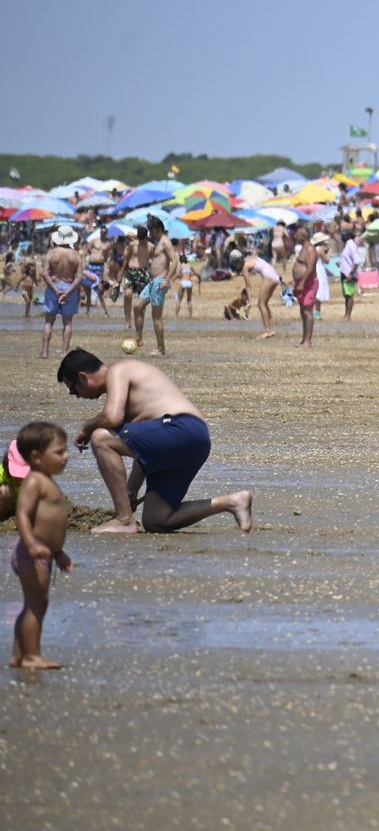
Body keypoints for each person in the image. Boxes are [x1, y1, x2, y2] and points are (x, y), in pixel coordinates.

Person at [56, 348, 254, 534]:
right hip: (192, 441)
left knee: (100, 437)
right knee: (156, 520)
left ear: (83, 377)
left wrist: (86, 428)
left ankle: (124, 519)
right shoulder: (128, 397)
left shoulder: (118, 370)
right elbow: (142, 450)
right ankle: (232, 502)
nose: (78, 397)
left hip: (181, 427)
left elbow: (111, 417)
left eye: (74, 391)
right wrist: (131, 492)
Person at [8, 422, 73, 670]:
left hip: (45, 553)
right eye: (59, 452)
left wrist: (59, 553)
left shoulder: (46, 480)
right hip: (31, 553)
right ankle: (32, 656)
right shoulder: (34, 482)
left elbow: (50, 525)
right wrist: (31, 544)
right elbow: (22, 516)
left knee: (34, 604)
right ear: (36, 456)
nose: (66, 457)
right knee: (36, 605)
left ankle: (18, 656)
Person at [132, 219, 177, 355]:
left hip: (160, 281)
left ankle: (160, 348)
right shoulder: (158, 243)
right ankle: (139, 338)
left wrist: (167, 280)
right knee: (137, 307)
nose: (150, 233)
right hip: (152, 282)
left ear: (157, 229)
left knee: (156, 316)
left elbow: (174, 261)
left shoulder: (165, 242)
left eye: (151, 230)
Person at [40, 226, 84, 360]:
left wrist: (56, 290)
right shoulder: (76, 255)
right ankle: (64, 353)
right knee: (68, 322)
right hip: (70, 287)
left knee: (49, 321)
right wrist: (68, 292)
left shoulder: (51, 253)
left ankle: (45, 352)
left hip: (53, 288)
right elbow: (79, 277)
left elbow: (44, 274)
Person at [293, 231, 328, 347]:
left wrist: (302, 282)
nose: (295, 236)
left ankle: (308, 340)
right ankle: (304, 339)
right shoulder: (303, 248)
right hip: (302, 283)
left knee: (307, 311)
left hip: (308, 283)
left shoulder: (310, 249)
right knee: (303, 311)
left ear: (303, 235)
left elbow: (310, 267)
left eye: (297, 234)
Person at [242, 248, 282, 338]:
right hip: (275, 276)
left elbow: (248, 285)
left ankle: (268, 330)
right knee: (264, 304)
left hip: (269, 277)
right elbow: (256, 252)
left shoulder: (244, 267)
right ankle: (271, 330)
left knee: (261, 304)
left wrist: (249, 302)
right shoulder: (251, 258)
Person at [338, 228, 367, 321]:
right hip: (344, 272)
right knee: (346, 295)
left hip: (349, 274)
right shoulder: (347, 245)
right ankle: (346, 314)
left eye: (343, 235)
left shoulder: (351, 245)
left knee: (349, 295)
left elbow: (357, 261)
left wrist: (351, 273)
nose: (342, 237)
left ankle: (348, 315)